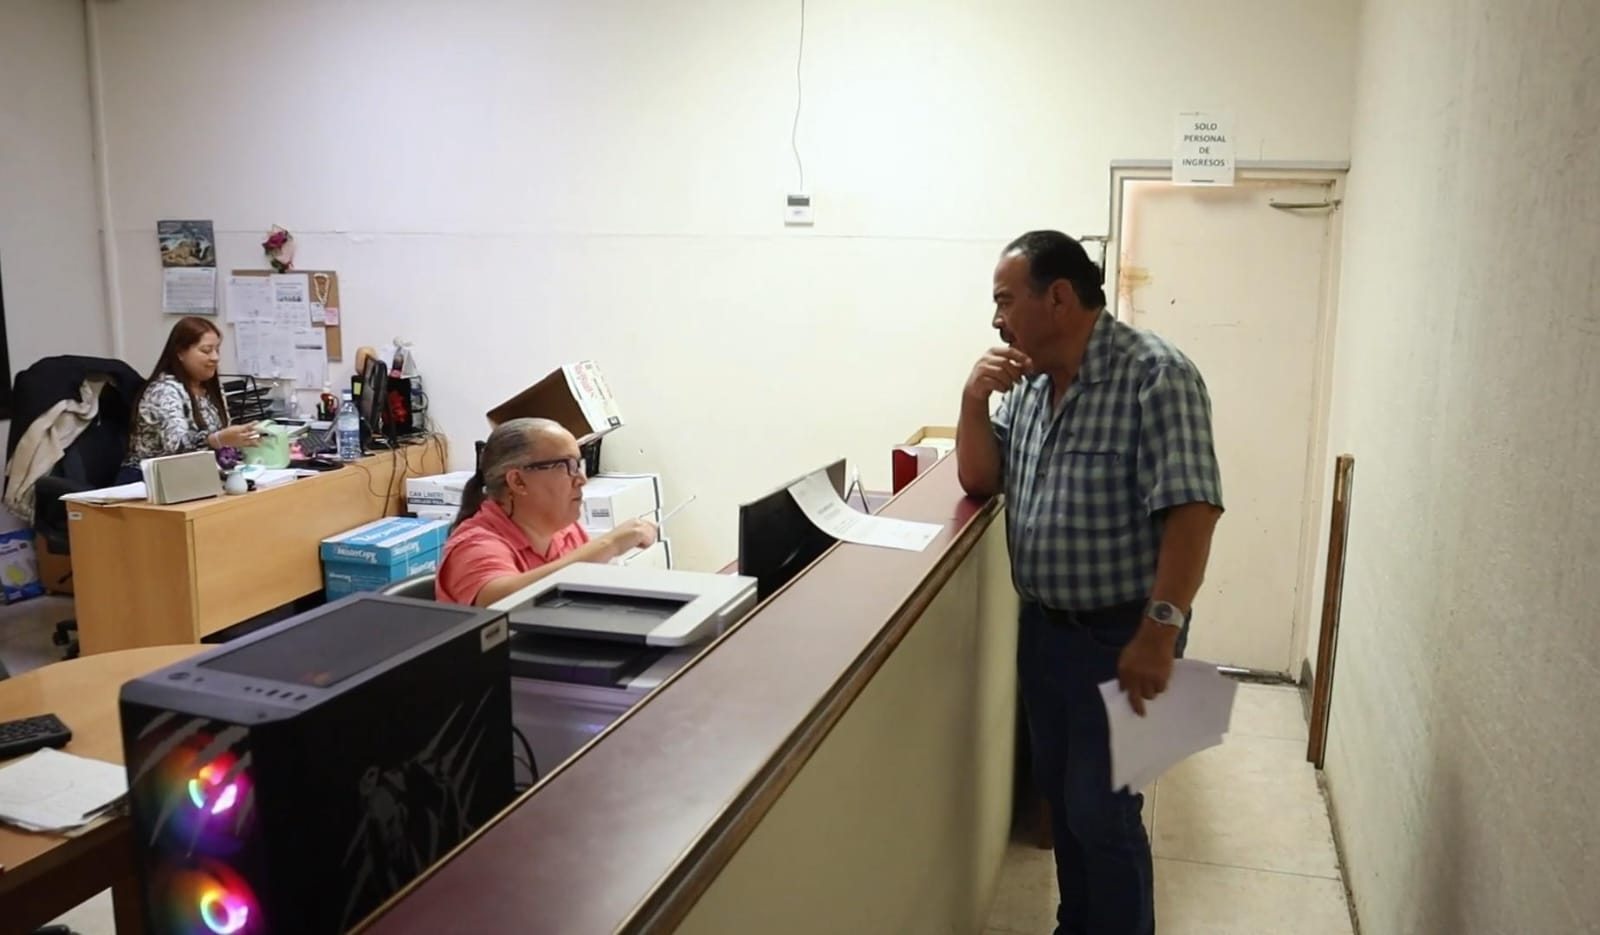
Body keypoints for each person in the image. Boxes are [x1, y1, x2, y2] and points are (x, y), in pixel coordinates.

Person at [956, 231, 1224, 935]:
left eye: (1005, 301)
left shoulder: (1155, 375)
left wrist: (1159, 632)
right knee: (1062, 800)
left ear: (1058, 297)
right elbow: (980, 478)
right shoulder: (1029, 385)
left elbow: (1193, 510)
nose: (997, 320)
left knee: (1103, 813)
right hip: (1044, 630)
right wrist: (973, 400)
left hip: (1122, 634)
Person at [435, 417, 657, 606]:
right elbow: (499, 605)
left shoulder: (566, 531)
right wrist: (609, 545)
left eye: (578, 465)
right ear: (518, 481)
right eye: (565, 466)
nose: (581, 479)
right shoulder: (474, 546)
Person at [122, 316, 259, 481]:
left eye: (217, 350)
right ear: (180, 353)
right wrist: (217, 439)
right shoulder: (164, 390)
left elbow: (223, 438)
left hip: (193, 476)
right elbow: (177, 447)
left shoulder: (211, 388)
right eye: (206, 350)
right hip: (149, 480)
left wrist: (241, 440)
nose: (215, 357)